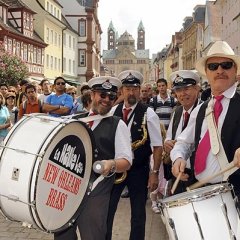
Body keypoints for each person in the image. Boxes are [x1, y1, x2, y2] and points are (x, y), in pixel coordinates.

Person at [54, 76, 132, 240]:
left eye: (111, 97)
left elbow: (126, 161)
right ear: (92, 95)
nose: (106, 100)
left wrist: (110, 163)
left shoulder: (118, 124)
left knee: (93, 235)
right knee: (62, 236)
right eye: (102, 95)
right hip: (67, 190)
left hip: (96, 191)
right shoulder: (75, 120)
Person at [171, 40, 240, 198]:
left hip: (234, 194)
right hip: (200, 192)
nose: (220, 70)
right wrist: (178, 158)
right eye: (213, 67)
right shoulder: (202, 109)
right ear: (207, 73)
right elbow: (183, 142)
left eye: (226, 65)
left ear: (235, 70)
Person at [106, 70, 163, 240]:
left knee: (138, 214)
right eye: (128, 88)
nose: (131, 92)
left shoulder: (149, 113)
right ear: (121, 90)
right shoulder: (113, 111)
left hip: (139, 170)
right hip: (115, 170)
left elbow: (158, 147)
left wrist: (154, 174)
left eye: (135, 88)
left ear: (140, 90)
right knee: (108, 211)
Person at [163, 70, 201, 194]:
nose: (182, 94)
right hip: (177, 172)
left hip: (198, 175)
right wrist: (167, 143)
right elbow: (169, 136)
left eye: (186, 89)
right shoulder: (177, 111)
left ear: (197, 88)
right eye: (178, 90)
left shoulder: (205, 111)